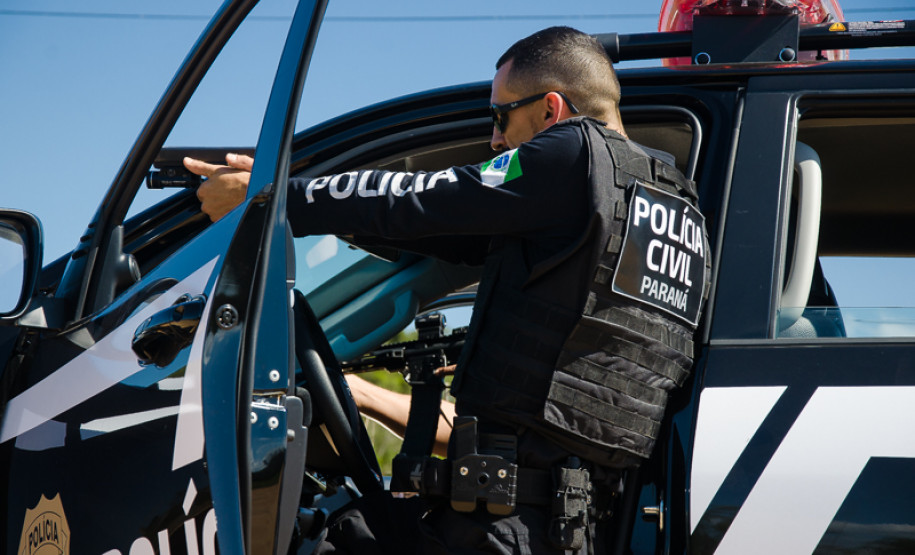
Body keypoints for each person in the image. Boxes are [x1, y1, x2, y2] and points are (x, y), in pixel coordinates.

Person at [185, 26, 710, 554]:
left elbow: (425, 198)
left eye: (501, 116)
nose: (495, 140)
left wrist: (271, 201)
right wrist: (308, 200)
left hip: (506, 521)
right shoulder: (672, 203)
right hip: (575, 523)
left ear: (551, 110)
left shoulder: (572, 155)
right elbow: (447, 232)